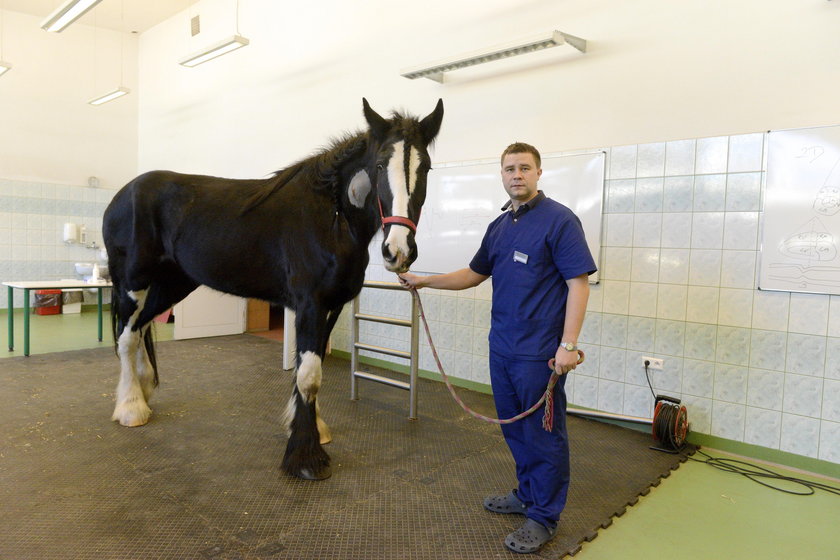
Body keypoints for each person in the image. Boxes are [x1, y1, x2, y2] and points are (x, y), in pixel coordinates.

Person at [399, 142, 596, 554]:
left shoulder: (560, 221)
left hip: (539, 353)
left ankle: (543, 516)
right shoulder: (500, 226)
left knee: (543, 435)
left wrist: (568, 345)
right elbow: (474, 274)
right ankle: (527, 494)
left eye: (525, 168)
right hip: (502, 348)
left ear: (539, 173)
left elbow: (578, 283)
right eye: (509, 169)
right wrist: (424, 281)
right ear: (502, 175)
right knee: (514, 429)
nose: (516, 175)